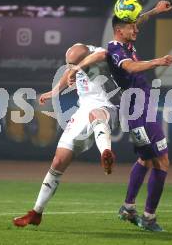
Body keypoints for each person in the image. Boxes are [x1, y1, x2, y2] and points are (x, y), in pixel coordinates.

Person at [12, 43, 120, 227]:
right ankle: (36, 213)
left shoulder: (98, 54)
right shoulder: (75, 60)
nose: (70, 68)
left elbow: (103, 54)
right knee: (58, 161)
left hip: (106, 107)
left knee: (96, 115)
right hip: (82, 111)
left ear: (84, 57)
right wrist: (55, 91)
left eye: (74, 64)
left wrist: (77, 67)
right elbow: (68, 72)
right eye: (68, 64)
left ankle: (106, 154)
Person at [107, 0, 172, 231]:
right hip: (138, 109)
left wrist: (155, 11)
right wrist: (158, 61)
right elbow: (130, 68)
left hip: (140, 107)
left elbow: (138, 21)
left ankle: (128, 207)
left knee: (146, 159)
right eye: (131, 27)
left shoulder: (126, 40)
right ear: (119, 29)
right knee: (162, 160)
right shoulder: (115, 49)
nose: (136, 29)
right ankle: (148, 218)